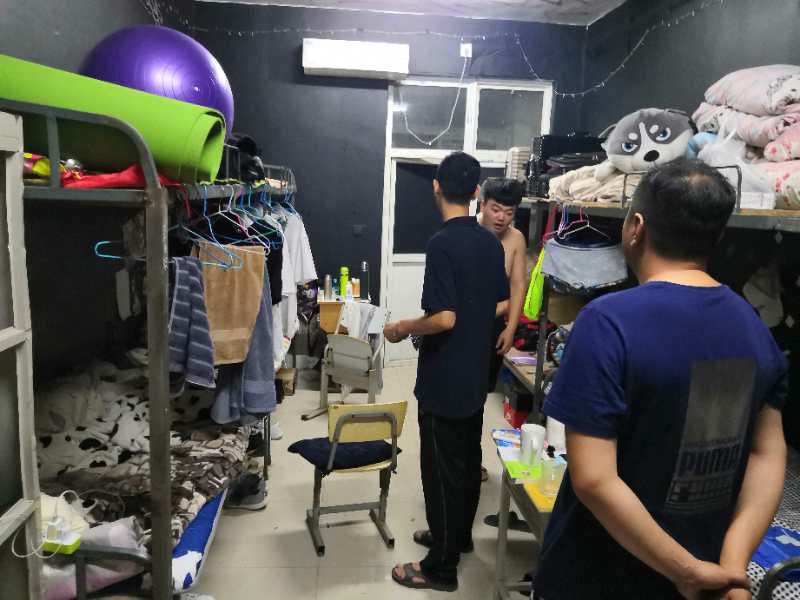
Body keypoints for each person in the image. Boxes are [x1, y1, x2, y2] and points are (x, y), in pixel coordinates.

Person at [534, 158, 788, 600]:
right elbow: (767, 455)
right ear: (718, 237)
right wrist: (732, 565)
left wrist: (685, 571)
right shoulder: (752, 326)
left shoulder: (608, 322)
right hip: (706, 573)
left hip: (597, 577)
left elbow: (593, 478)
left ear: (636, 227)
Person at [384, 152, 509, 593]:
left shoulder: (441, 244)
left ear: (436, 185)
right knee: (467, 461)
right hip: (475, 373)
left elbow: (444, 318)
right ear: (476, 193)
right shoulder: (490, 244)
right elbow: (500, 303)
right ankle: (457, 539)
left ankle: (440, 567)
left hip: (444, 378)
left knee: (439, 471)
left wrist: (403, 328)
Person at [477, 177, 527, 483]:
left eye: (509, 213)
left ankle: (473, 459)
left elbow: (519, 284)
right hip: (463, 325)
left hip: (493, 327)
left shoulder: (516, 239)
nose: (501, 218)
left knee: (480, 396)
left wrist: (511, 328)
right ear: (482, 204)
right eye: (496, 209)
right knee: (462, 395)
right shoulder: (467, 233)